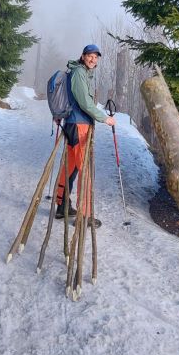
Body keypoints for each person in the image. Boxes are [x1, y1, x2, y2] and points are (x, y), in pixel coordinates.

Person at [55, 44, 115, 227]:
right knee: (84, 169)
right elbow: (84, 102)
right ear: (82, 56)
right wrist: (105, 119)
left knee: (70, 167)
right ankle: (84, 215)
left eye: (96, 57)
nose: (93, 59)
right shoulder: (79, 73)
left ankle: (62, 206)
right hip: (79, 125)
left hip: (72, 124)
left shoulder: (80, 73)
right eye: (90, 56)